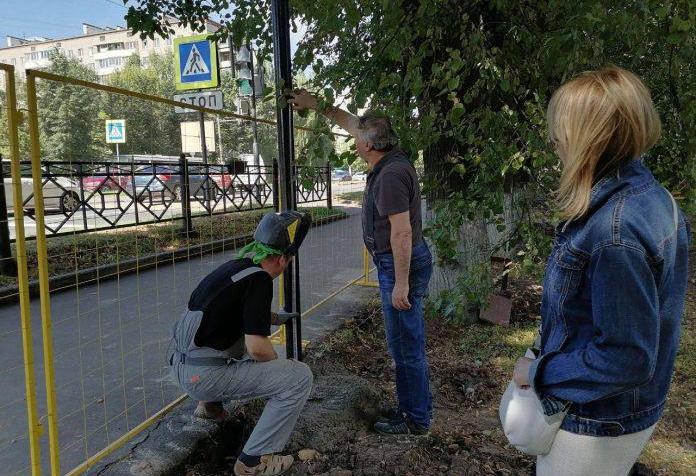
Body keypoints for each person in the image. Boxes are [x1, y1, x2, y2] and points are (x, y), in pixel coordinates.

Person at [512, 66, 691, 475]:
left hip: (594, 421)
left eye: (561, 130)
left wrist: (538, 372)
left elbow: (627, 358)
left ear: (589, 137)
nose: (554, 140)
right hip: (619, 413)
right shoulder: (653, 198)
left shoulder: (615, 230)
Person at [288, 90, 433, 435]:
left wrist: (400, 283)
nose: (353, 139)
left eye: (357, 138)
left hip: (399, 266)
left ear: (368, 145)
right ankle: (413, 409)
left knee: (405, 347)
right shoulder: (389, 155)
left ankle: (415, 419)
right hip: (399, 264)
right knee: (405, 343)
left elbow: (401, 233)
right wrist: (313, 103)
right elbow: (349, 121)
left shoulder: (389, 176)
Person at [169, 211, 313, 476]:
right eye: (288, 262)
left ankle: (209, 406)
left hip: (182, 366)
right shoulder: (260, 280)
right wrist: (277, 372)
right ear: (282, 259)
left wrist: (274, 318)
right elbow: (258, 348)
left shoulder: (236, 268)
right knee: (298, 377)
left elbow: (231, 314)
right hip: (203, 377)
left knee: (235, 348)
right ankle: (253, 461)